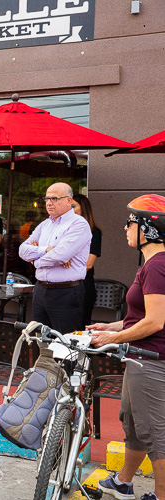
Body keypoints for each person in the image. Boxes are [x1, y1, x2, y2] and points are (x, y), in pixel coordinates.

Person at [90, 194, 165, 500]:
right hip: (139, 359)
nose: (124, 228)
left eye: (130, 222)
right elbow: (141, 316)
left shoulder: (157, 266)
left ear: (148, 227)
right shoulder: (151, 264)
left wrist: (113, 339)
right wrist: (112, 326)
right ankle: (123, 482)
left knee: (156, 433)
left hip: (151, 359)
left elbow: (156, 322)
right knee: (133, 424)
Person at [19, 182, 91, 333]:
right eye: (47, 199)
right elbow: (22, 250)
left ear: (69, 200)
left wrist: (35, 261)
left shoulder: (79, 224)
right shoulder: (45, 225)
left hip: (66, 292)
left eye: (54, 199)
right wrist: (46, 249)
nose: (49, 203)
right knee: (40, 340)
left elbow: (60, 255)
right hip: (40, 290)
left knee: (66, 345)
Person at [72, 194, 102, 327]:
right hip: (65, 286)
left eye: (73, 206)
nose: (70, 210)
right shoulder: (66, 230)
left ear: (83, 208)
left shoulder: (94, 232)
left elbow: (88, 264)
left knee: (81, 325)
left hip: (83, 285)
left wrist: (63, 263)